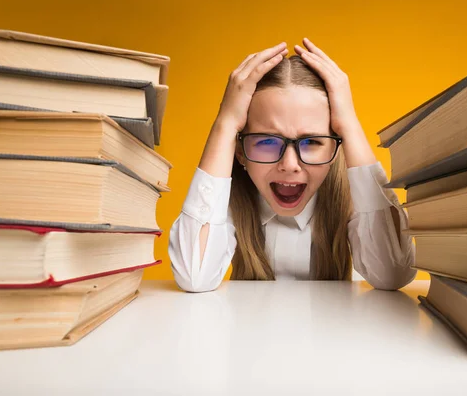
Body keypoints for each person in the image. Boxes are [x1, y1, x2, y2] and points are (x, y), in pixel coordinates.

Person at [169, 38, 416, 292]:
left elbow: (393, 274)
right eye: (266, 140)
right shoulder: (229, 199)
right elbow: (193, 277)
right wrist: (226, 123)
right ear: (240, 152)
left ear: (335, 148)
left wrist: (350, 125)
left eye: (311, 141)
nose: (289, 164)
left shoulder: (353, 198)